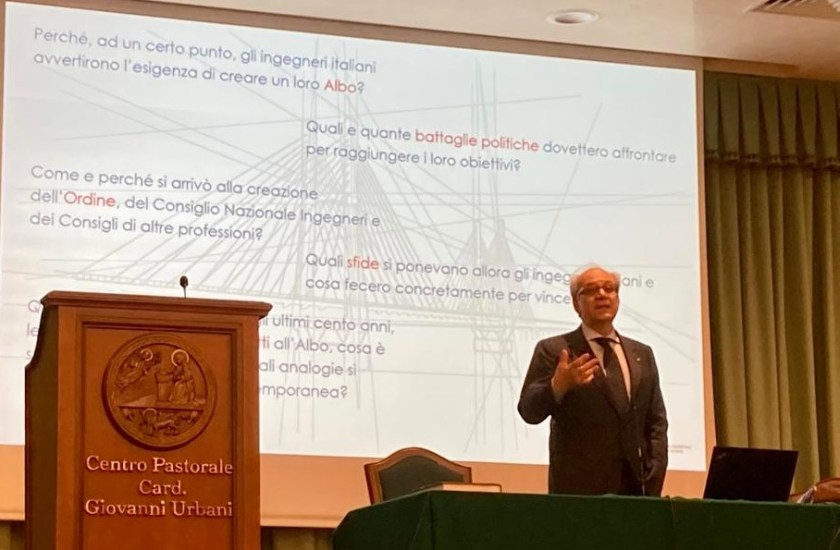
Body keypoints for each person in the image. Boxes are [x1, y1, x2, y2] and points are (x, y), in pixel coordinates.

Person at [517, 264, 668, 496]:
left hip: (638, 488)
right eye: (591, 290)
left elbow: (656, 421)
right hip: (579, 491)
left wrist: (655, 470)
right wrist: (557, 387)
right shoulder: (555, 349)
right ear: (576, 303)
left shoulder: (642, 353)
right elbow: (529, 411)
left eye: (609, 288)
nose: (602, 294)